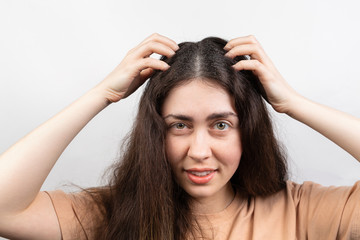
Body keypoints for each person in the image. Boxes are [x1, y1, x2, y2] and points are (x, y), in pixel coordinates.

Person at [0, 33, 359, 240]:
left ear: (247, 130)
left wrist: (294, 104)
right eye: (179, 125)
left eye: (221, 125)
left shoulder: (301, 210)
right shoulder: (110, 214)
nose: (199, 151)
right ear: (155, 131)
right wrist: (102, 95)